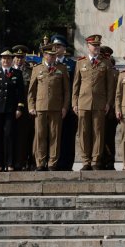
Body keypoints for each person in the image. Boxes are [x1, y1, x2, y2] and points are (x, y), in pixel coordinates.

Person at [72, 34, 115, 171]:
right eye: (94, 45)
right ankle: (86, 161)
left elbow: (110, 86)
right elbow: (76, 85)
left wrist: (108, 102)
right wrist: (74, 102)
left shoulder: (106, 63)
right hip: (83, 102)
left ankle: (96, 160)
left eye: (98, 45)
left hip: (100, 103)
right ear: (88, 46)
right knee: (84, 132)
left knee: (98, 132)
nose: (96, 48)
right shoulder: (81, 62)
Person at [28, 43, 70, 171]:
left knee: (55, 136)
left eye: (54, 55)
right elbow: (31, 90)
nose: (52, 57)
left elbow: (66, 91)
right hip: (40, 107)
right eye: (50, 55)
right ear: (45, 55)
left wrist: (64, 107)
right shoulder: (37, 69)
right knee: (40, 135)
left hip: (56, 107)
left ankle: (52, 162)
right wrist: (31, 106)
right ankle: (40, 162)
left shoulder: (61, 68)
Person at [0, 49, 26, 172]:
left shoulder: (17, 73)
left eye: (8, 58)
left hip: (10, 110)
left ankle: (10, 163)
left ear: (12, 60)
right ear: (0, 60)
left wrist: (19, 107)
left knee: (9, 136)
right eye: (4, 58)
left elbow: (20, 93)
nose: (6, 61)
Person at [51, 34, 78, 171]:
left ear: (64, 49)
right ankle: (53, 162)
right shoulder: (49, 64)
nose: (56, 48)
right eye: (54, 46)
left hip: (68, 106)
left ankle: (67, 163)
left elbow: (76, 85)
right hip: (53, 105)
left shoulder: (72, 64)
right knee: (54, 135)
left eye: (59, 46)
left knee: (68, 135)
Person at [12, 44, 36, 170]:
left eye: (21, 57)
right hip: (11, 109)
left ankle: (26, 162)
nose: (19, 59)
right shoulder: (7, 69)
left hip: (26, 109)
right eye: (17, 57)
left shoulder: (31, 70)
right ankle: (12, 161)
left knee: (26, 136)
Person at [99, 45, 119, 170]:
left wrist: (114, 109)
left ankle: (109, 160)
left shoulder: (116, 74)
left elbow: (118, 93)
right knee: (97, 136)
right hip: (97, 109)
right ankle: (98, 160)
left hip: (110, 112)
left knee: (109, 137)